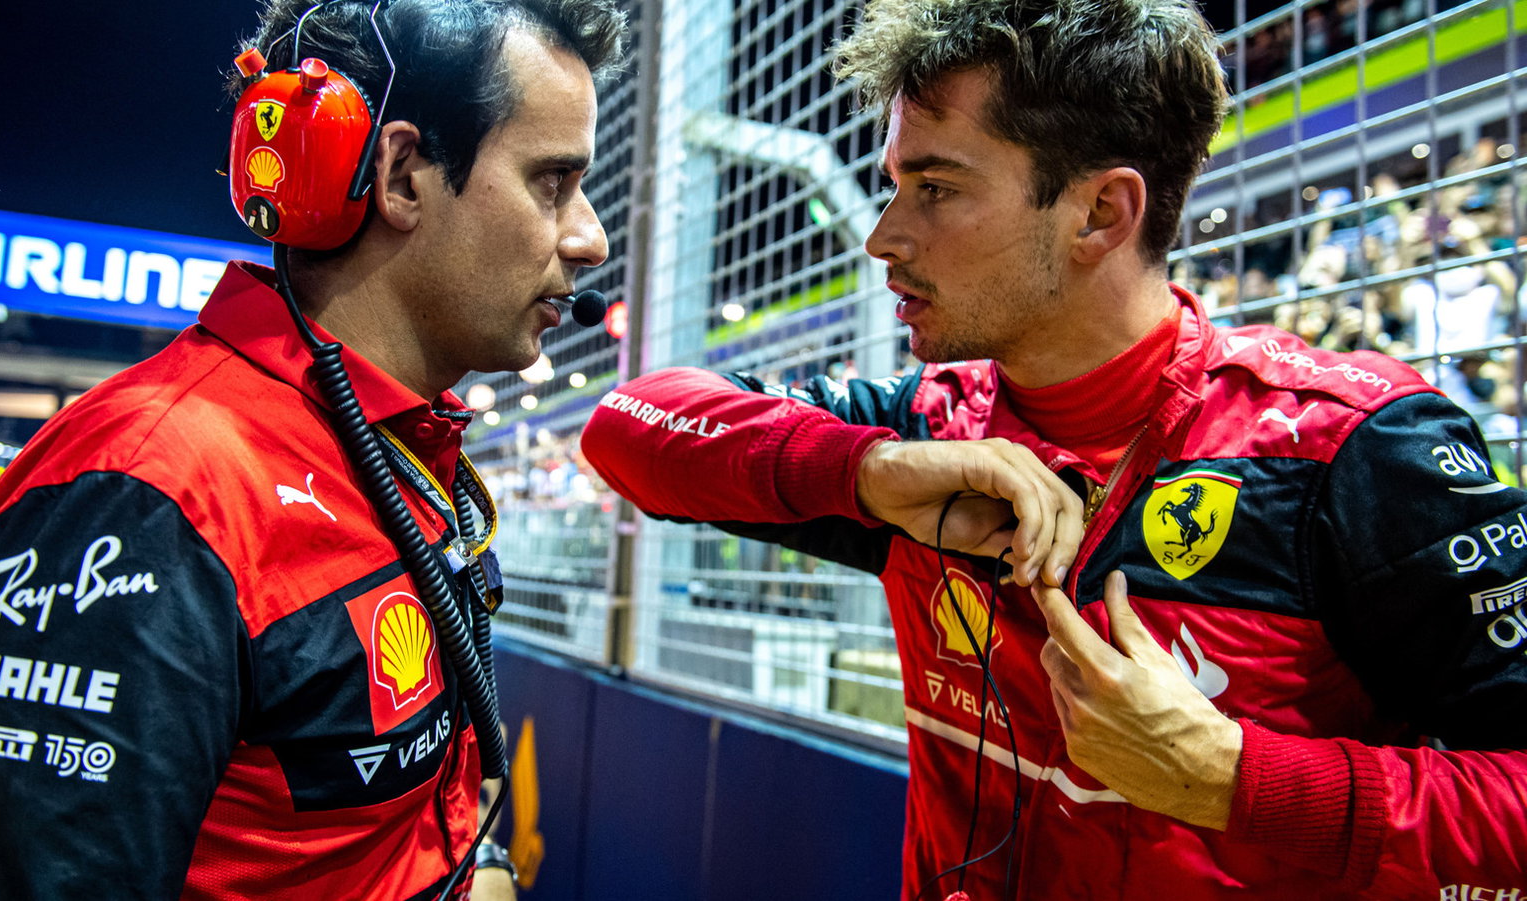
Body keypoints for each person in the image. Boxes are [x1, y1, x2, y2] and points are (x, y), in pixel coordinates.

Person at [579, 0, 1527, 897]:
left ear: (1102, 213)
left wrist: (1239, 778)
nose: (883, 237)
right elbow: (626, 424)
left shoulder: (1346, 449)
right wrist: (865, 470)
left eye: (936, 188)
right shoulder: (926, 433)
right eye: (894, 185)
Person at [0, 0, 622, 898]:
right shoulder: (148, 492)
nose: (591, 237)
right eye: (553, 182)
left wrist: (476, 868)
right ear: (402, 176)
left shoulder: (398, 449)